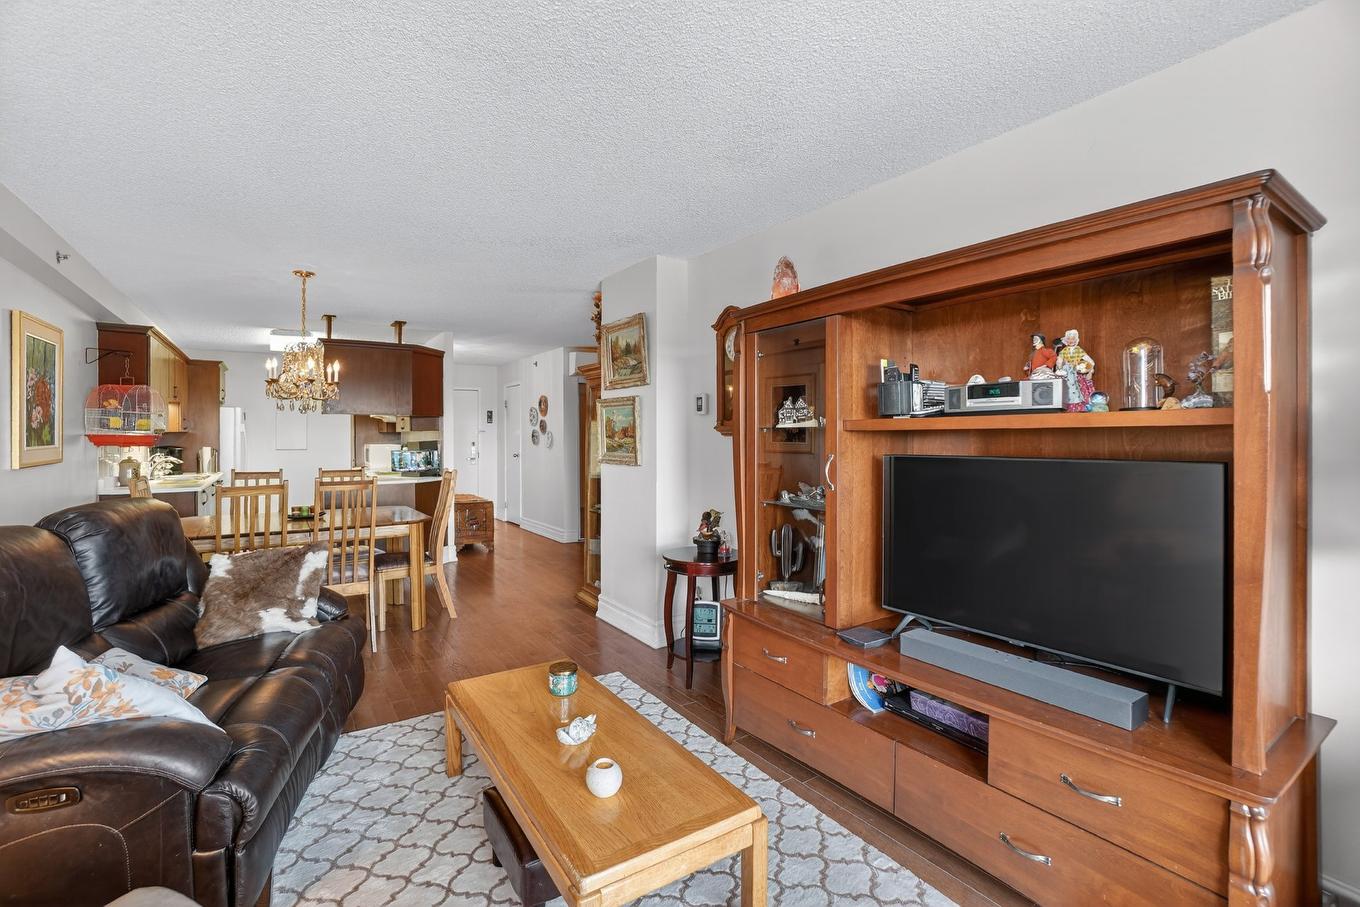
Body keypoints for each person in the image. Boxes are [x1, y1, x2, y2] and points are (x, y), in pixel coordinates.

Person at [1055, 329, 1096, 411]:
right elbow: (1059, 360)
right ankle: (1068, 407)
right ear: (1066, 340)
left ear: (1076, 340)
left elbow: (1089, 361)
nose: (1071, 341)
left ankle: (1080, 407)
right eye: (1069, 339)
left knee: (1079, 389)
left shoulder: (1079, 350)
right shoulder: (1064, 351)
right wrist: (1059, 365)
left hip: (1076, 372)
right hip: (1066, 373)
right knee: (1067, 390)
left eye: (1073, 339)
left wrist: (1089, 367)